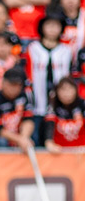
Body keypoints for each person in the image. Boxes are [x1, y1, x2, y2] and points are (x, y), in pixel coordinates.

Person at [25, 15, 74, 144]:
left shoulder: (66, 50)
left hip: (59, 103)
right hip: (37, 100)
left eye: (56, 25)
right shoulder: (33, 48)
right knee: (35, 137)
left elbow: (70, 76)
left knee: (55, 139)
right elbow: (27, 74)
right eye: (49, 25)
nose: (52, 29)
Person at [0, 66, 35, 149]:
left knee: (33, 139)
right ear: (3, 83)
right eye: (11, 85)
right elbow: (0, 130)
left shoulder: (24, 97)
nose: (14, 89)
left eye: (17, 85)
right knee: (2, 142)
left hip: (18, 137)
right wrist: (20, 140)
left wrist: (24, 138)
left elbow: (29, 120)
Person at [43, 76, 85, 151]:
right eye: (63, 90)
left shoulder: (82, 104)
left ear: (75, 90)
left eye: (70, 89)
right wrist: (49, 142)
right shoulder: (53, 105)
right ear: (57, 91)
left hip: (81, 151)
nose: (66, 94)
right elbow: (49, 126)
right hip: (60, 151)